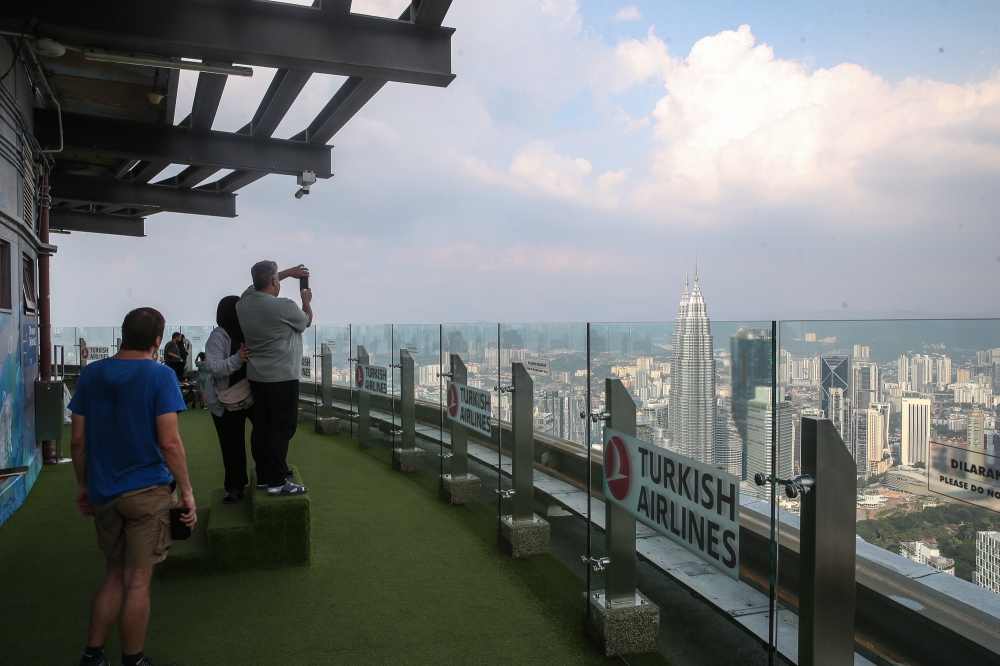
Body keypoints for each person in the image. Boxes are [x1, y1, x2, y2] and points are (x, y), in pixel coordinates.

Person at [70, 307, 196, 666]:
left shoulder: (91, 374)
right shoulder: (160, 377)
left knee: (113, 575)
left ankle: (93, 656)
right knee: (138, 582)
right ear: (158, 341)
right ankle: (133, 660)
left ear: (124, 333)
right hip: (147, 492)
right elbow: (170, 443)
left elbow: (77, 441)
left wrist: (84, 486)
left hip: (104, 491)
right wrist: (186, 493)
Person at [238, 261, 312, 496]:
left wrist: (288, 273)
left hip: (257, 376)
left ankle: (263, 476)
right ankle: (277, 481)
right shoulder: (285, 306)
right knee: (281, 428)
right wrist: (307, 300)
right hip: (282, 376)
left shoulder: (246, 302)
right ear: (273, 281)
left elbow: (257, 285)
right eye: (277, 279)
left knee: (262, 426)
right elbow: (306, 320)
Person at [205, 296, 255, 504]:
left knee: (265, 432)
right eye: (237, 309)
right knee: (231, 444)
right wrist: (238, 358)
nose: (241, 312)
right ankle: (234, 487)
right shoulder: (218, 336)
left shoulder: (249, 330)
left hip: (252, 395)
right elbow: (213, 367)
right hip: (226, 399)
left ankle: (270, 471)